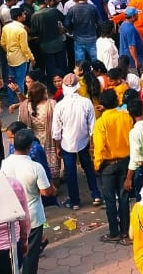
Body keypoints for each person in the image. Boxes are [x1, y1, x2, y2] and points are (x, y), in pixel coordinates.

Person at [1, 128, 56, 274]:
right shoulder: (35, 167)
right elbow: (45, 191)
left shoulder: (4, 164)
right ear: (30, 146)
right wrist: (51, 189)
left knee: (16, 254)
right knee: (31, 255)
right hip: (33, 216)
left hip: (12, 215)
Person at [52, 73, 102, 210]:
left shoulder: (60, 106)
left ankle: (74, 201)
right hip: (84, 142)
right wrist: (92, 144)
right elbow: (92, 127)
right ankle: (96, 194)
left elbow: (56, 131)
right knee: (89, 168)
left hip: (67, 143)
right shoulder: (86, 102)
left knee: (71, 171)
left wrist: (57, 147)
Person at [93, 88, 133, 245]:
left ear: (102, 105)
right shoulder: (126, 117)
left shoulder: (101, 122)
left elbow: (99, 147)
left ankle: (114, 232)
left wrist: (97, 165)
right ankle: (125, 232)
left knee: (110, 200)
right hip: (125, 162)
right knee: (124, 197)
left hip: (108, 165)